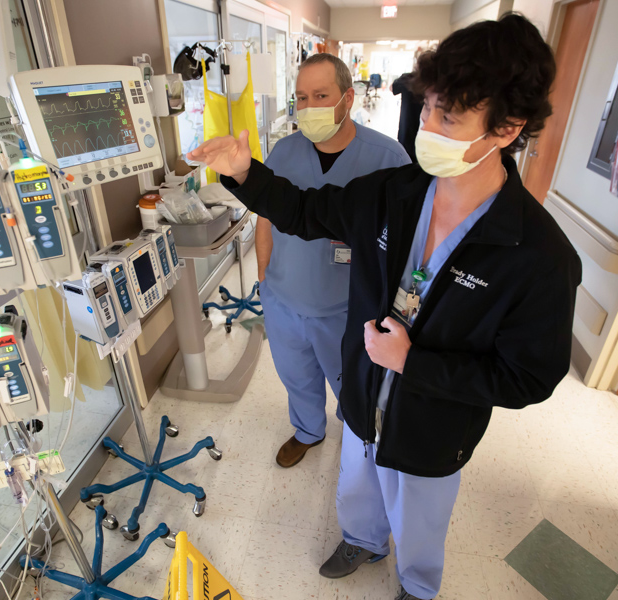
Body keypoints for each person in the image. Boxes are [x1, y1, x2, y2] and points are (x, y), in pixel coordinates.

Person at [189, 14, 580, 600]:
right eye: (429, 107)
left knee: (419, 520)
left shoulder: (538, 255)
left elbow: (529, 377)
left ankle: (418, 587)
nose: (428, 125)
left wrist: (412, 364)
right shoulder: (395, 193)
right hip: (363, 392)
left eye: (449, 116)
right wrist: (244, 173)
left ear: (507, 128)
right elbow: (304, 211)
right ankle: (363, 540)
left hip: (432, 426)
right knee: (357, 484)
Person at [256, 54, 409, 468]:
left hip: (347, 311)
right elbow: (266, 221)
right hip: (284, 301)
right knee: (297, 378)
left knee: (352, 384)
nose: (309, 107)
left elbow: (402, 243)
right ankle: (308, 430)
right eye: (302, 97)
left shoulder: (388, 158)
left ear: (348, 98)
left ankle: (357, 430)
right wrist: (264, 283)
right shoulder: (284, 152)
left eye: (321, 95)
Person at [391, 71, 423, 162]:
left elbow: (392, 88)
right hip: (424, 133)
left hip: (406, 132)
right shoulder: (438, 81)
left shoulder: (407, 78)